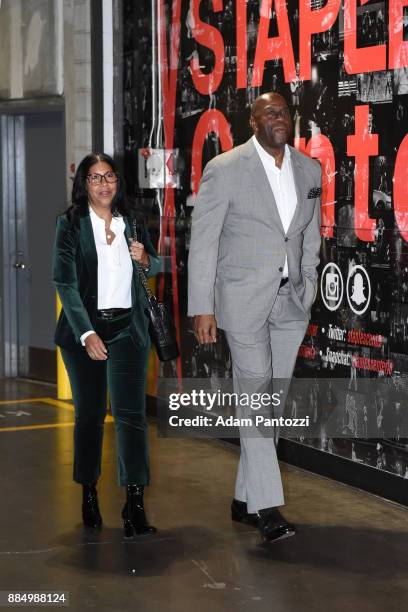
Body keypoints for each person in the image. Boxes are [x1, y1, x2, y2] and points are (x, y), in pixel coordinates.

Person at [188, 92, 322, 544]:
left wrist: (308, 281)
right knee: (256, 395)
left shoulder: (309, 170)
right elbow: (204, 242)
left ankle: (244, 496)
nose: (277, 118)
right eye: (268, 113)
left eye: (283, 111)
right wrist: (201, 306)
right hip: (243, 302)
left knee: (272, 403)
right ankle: (267, 507)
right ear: (253, 121)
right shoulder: (225, 169)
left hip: (290, 302)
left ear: (291, 118)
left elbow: (308, 235)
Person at [52, 153, 161, 537]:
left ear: (118, 182)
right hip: (86, 332)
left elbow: (157, 265)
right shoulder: (69, 224)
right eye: (95, 178)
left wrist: (147, 258)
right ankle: (89, 492)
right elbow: (64, 282)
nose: (103, 184)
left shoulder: (131, 221)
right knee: (91, 415)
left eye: (109, 176)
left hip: (128, 330)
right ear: (84, 184)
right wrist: (87, 334)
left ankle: (134, 506)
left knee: (132, 417)